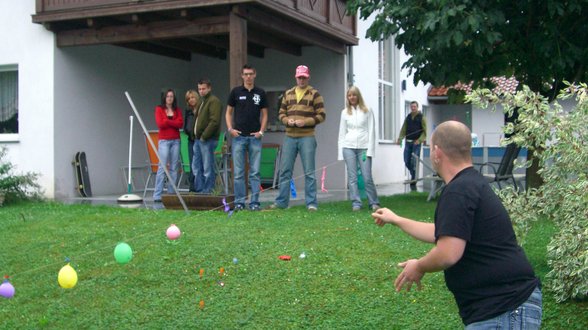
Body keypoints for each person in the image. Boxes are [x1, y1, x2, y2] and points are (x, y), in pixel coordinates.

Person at [372, 120, 542, 328]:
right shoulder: (470, 183)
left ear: (436, 152)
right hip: (505, 305)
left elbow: (448, 252)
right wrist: (396, 220)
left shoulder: (459, 190)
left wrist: (419, 266)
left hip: (504, 306)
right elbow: (446, 232)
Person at [270, 65, 326, 211]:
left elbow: (321, 115)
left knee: (309, 172)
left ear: (308, 77)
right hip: (289, 136)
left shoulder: (315, 94)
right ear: (295, 77)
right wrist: (286, 121)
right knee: (285, 171)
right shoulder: (288, 94)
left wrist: (306, 122)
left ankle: (311, 203)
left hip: (307, 137)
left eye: (304, 77)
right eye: (299, 77)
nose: (301, 79)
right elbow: (281, 113)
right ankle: (282, 202)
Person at [226, 65, 268, 211]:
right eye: (246, 74)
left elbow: (265, 114)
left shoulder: (260, 92)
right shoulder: (236, 92)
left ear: (255, 74)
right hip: (238, 137)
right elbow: (228, 112)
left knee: (255, 172)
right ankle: (239, 202)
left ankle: (255, 203)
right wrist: (230, 129)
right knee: (238, 172)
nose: (248, 77)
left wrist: (261, 132)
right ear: (242, 76)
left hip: (255, 138)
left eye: (251, 74)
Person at [337, 86, 380, 212]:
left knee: (367, 177)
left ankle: (373, 202)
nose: (352, 97)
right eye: (349, 95)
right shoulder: (344, 112)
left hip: (364, 148)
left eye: (354, 95)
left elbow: (372, 131)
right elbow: (342, 133)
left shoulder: (367, 110)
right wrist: (341, 153)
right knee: (352, 178)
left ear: (358, 96)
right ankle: (356, 203)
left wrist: (370, 150)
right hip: (348, 147)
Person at [153, 89, 183, 202]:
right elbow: (160, 123)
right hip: (164, 141)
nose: (170, 98)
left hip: (176, 140)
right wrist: (172, 122)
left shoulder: (177, 110)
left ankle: (171, 193)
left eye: (171, 96)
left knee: (174, 167)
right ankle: (157, 194)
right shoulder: (159, 109)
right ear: (164, 98)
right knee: (162, 166)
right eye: (168, 96)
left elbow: (180, 124)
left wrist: (168, 121)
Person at [192, 79, 222, 194]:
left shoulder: (214, 101)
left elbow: (214, 121)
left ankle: (208, 190)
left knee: (207, 167)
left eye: (203, 88)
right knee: (196, 166)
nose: (201, 91)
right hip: (198, 139)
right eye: (199, 89)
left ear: (209, 88)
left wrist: (204, 136)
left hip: (207, 139)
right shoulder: (201, 102)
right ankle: (199, 189)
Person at [397, 101, 427, 190]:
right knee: (406, 160)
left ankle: (413, 179)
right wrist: (400, 138)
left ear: (417, 107)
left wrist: (420, 140)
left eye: (414, 106)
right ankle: (414, 175)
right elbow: (404, 128)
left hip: (416, 143)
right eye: (412, 106)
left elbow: (425, 131)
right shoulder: (408, 117)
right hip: (408, 142)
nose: (413, 108)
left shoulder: (422, 117)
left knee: (414, 161)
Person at [183, 89, 200, 192]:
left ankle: (200, 187)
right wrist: (187, 131)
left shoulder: (201, 109)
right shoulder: (188, 111)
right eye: (189, 98)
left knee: (199, 164)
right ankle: (192, 187)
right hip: (190, 140)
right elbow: (186, 124)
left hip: (200, 140)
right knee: (192, 163)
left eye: (192, 97)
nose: (191, 100)